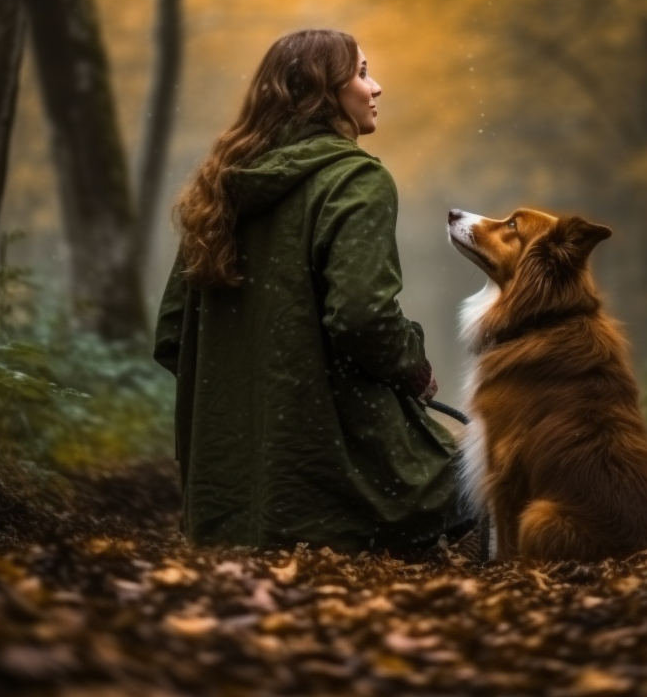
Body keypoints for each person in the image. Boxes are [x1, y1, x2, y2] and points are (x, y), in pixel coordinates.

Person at [153, 29, 468, 552]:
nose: (377, 87)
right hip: (337, 498)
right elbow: (362, 316)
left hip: (226, 512)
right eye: (363, 73)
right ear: (325, 92)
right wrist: (412, 365)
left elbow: (172, 335)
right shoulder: (355, 180)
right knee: (473, 482)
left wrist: (244, 396)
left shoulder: (219, 190)